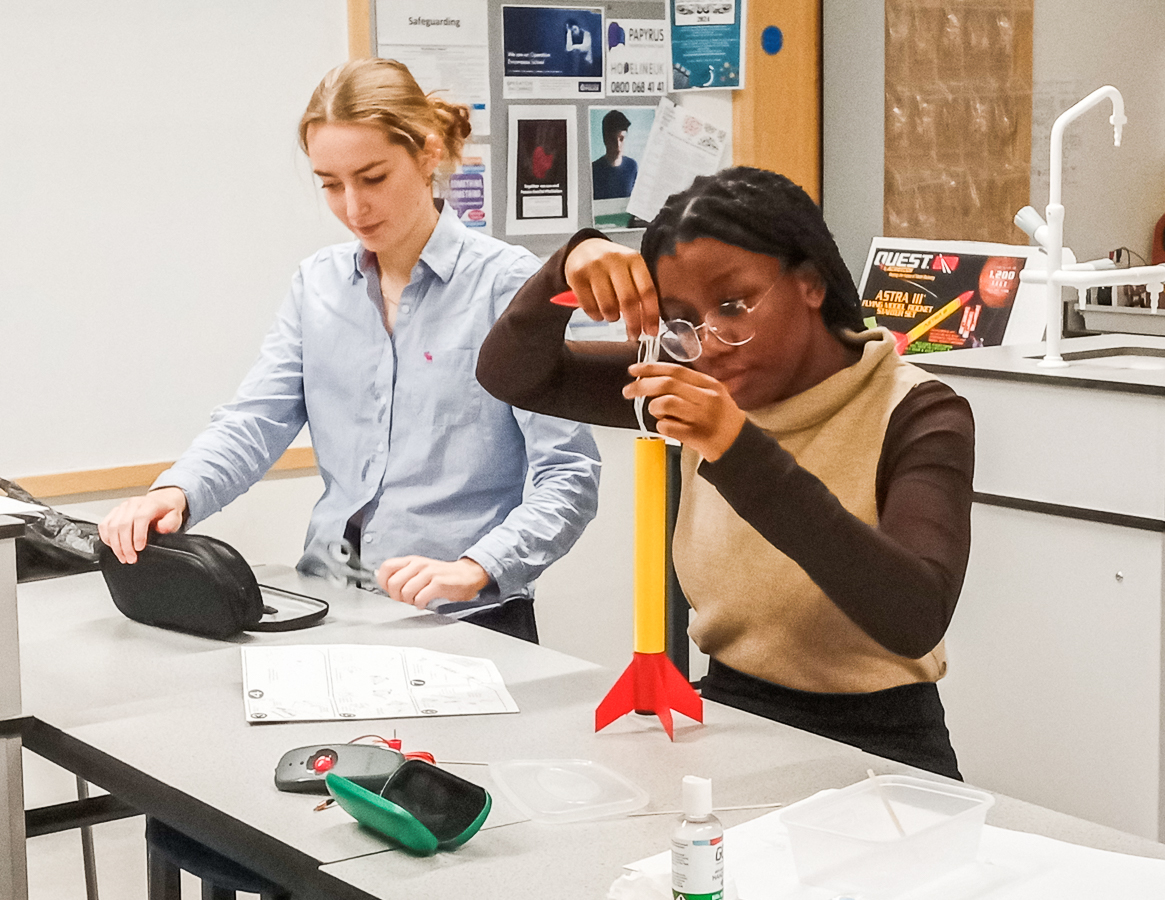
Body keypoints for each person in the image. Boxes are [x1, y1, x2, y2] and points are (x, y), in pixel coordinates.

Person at [477, 167, 973, 776]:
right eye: (680, 320)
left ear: (811, 283)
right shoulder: (697, 381)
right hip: (734, 719)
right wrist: (569, 261)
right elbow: (512, 376)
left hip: (884, 743)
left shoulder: (918, 409)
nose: (708, 344)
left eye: (734, 306)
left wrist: (737, 448)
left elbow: (911, 616)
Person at [99, 58, 601, 643]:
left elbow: (568, 474)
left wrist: (479, 567)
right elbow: (255, 421)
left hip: (468, 617)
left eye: (373, 177)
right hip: (328, 603)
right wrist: (175, 492)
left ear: (427, 153)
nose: (354, 208)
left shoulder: (509, 285)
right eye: (331, 185)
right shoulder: (317, 284)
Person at [591, 110, 639, 201]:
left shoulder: (632, 166)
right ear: (605, 140)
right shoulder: (593, 170)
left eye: (621, 139)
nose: (618, 146)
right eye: (613, 140)